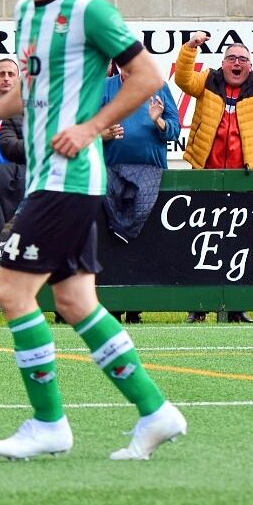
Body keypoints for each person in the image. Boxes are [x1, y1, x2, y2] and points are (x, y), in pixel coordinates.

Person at [0, 0, 185, 462]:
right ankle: (155, 410)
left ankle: (49, 423)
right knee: (75, 300)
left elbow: (148, 77)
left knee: (12, 292)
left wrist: (91, 127)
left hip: (70, 177)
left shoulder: (92, 11)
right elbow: (35, 87)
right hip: (47, 175)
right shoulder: (25, 14)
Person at [174, 33, 253, 323]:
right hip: (207, 175)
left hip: (246, 178)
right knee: (201, 243)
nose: (237, 64)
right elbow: (183, 80)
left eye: (243, 60)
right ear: (223, 64)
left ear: (250, 66)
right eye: (232, 59)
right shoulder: (207, 81)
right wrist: (190, 48)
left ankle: (237, 307)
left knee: (241, 245)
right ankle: (198, 307)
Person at [99, 64, 180, 323]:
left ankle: (136, 307)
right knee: (112, 240)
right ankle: (113, 304)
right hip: (111, 172)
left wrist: (158, 120)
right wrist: (106, 134)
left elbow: (175, 129)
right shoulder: (103, 88)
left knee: (142, 242)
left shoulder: (159, 87)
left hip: (151, 172)